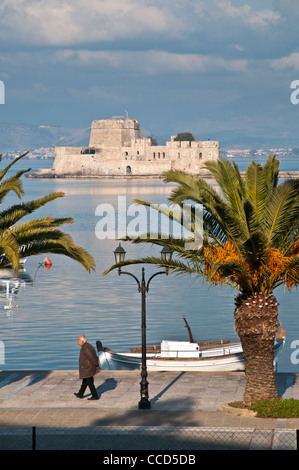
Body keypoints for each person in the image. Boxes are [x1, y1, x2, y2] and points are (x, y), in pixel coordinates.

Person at [74, 335, 100, 400]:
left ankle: (95, 396)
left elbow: (91, 357)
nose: (77, 342)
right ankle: (80, 394)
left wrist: (96, 363)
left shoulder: (86, 348)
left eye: (78, 340)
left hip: (87, 368)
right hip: (87, 368)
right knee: (85, 381)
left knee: (90, 382)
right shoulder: (87, 346)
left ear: (82, 341)